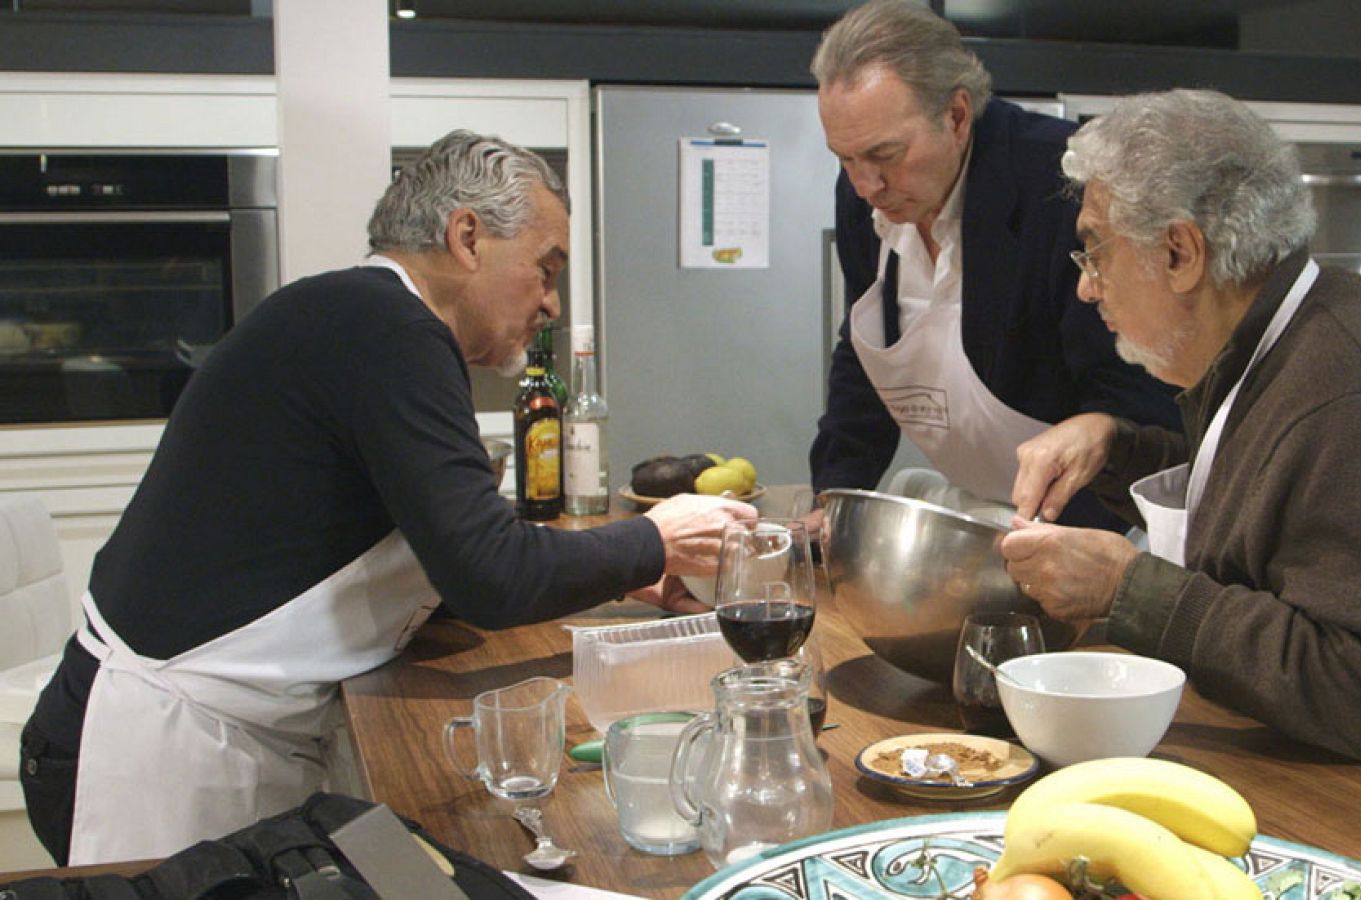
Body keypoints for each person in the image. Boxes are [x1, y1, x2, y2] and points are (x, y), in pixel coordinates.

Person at [19, 130, 756, 866]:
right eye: (545, 268)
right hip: (154, 745)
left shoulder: (358, 316)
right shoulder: (389, 328)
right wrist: (655, 537)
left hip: (198, 730)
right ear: (468, 236)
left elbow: (441, 554)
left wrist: (619, 571)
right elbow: (489, 574)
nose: (552, 304)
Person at [1001, 88, 1361, 817]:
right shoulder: (1291, 337)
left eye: (1095, 248)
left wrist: (1129, 590)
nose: (1088, 286)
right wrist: (1119, 446)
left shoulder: (1357, 393)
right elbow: (1280, 502)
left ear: (1181, 252)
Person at [807, 0, 1179, 527]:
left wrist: (1065, 554)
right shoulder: (866, 195)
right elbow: (866, 353)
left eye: (885, 155)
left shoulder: (1065, 187)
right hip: (983, 510)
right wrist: (834, 499)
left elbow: (1134, 399)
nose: (866, 185)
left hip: (1099, 523)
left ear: (956, 116)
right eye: (844, 158)